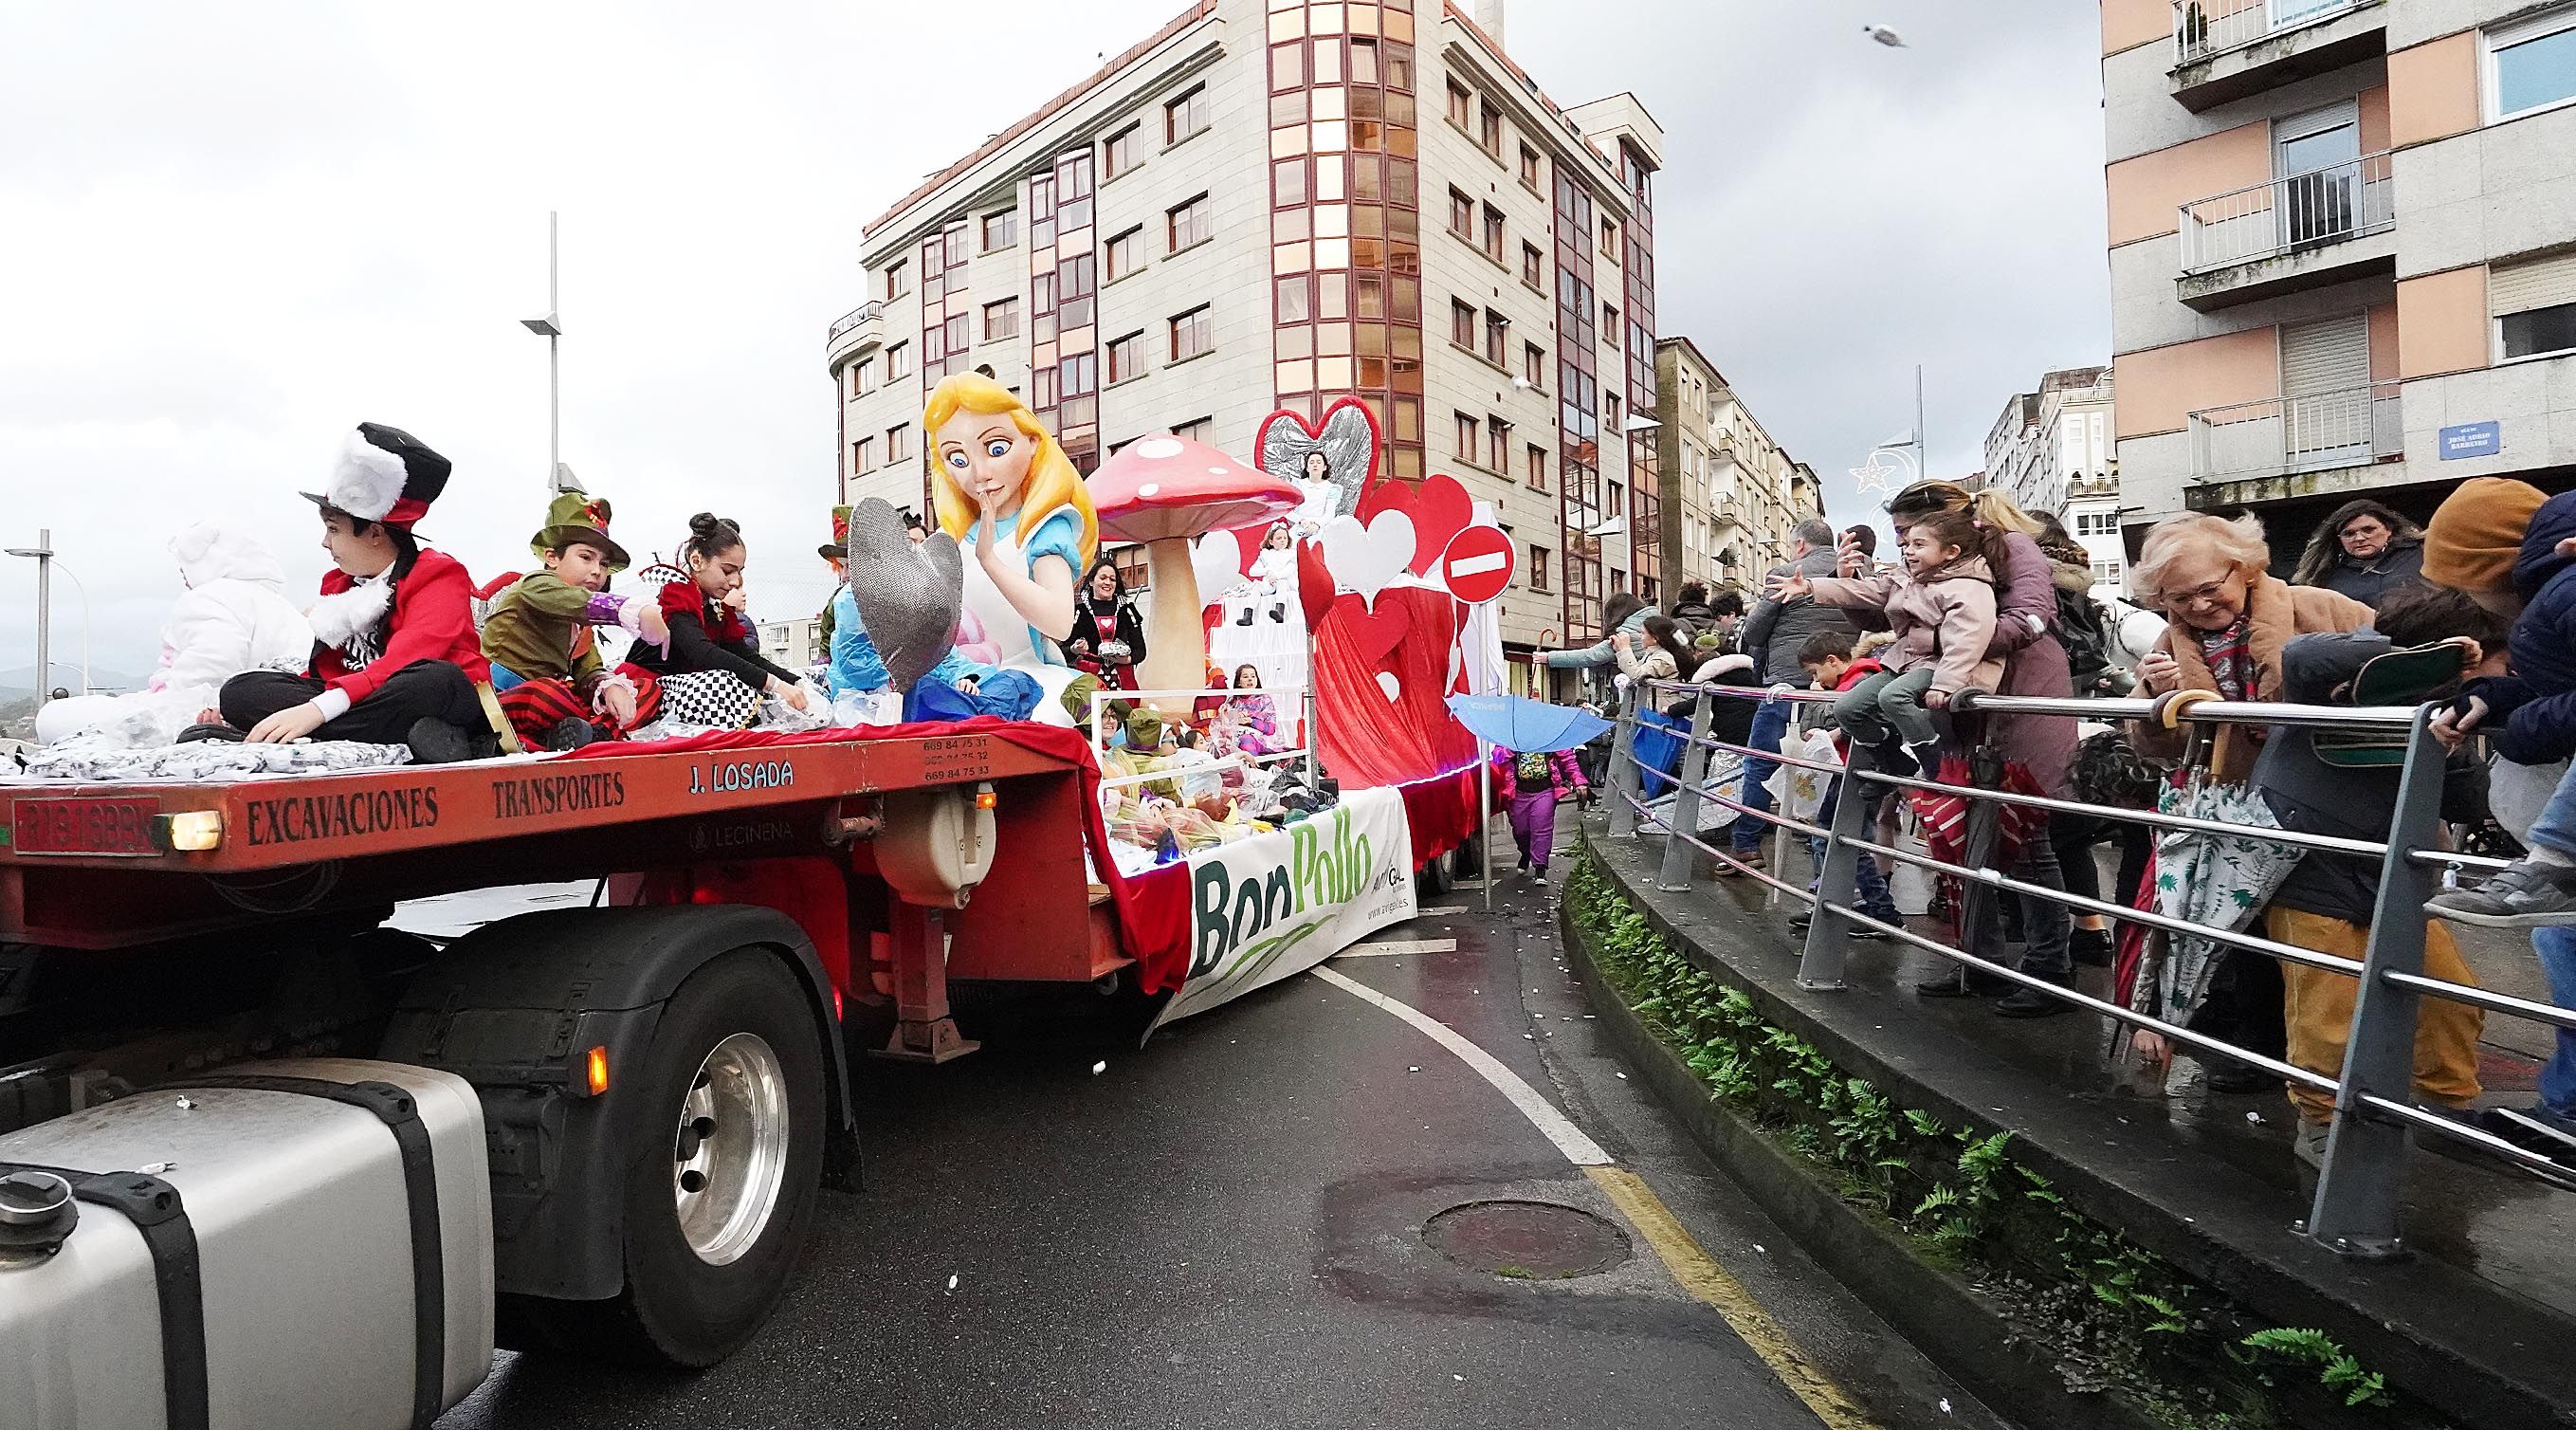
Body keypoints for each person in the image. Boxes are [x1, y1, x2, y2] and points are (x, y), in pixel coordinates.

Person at [2243, 583, 2492, 1166]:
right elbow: (2300, 657)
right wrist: (2423, 655)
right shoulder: (2325, 671)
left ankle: (2447, 1109)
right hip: (2308, 860)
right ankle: (2320, 1120)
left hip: (2397, 866)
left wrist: (2458, 734)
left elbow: (2465, 799)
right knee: (2326, 1011)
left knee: (2453, 995)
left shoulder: (2449, 702)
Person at [2128, 511, 2372, 1085]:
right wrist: (2153, 696)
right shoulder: (2170, 640)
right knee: (2252, 933)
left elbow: (2403, 673)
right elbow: (2158, 746)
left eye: (2209, 588)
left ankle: (2346, 1067)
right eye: (2177, 598)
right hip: (2239, 809)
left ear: (2244, 566)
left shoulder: (2322, 608)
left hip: (2331, 801)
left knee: (2332, 931)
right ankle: (2265, 1056)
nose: (2197, 607)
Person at [1880, 482, 2084, 1014]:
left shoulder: (2012, 547)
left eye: (1908, 533)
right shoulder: (1937, 561)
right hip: (1970, 705)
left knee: (2026, 843)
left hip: (2019, 701)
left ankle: (2049, 971)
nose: (1904, 544)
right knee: (1969, 841)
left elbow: (2027, 619)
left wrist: (1941, 638)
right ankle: (1980, 964)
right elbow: (1904, 620)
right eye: (1900, 536)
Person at [214, 423, 493, 762]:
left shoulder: (439, 574)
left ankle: (312, 733)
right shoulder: (339, 583)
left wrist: (315, 711)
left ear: (375, 533)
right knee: (242, 690)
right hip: (367, 704)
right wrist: (286, 705)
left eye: (333, 529)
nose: (325, 542)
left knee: (435, 678)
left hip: (430, 696)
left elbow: (407, 659)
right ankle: (408, 737)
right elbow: (328, 674)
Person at [36, 523, 312, 748]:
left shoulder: (212, 596)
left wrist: (164, 703)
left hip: (205, 709)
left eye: (185, 566)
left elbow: (212, 664)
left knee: (55, 717)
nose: (181, 574)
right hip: (272, 707)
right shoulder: (276, 604)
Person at [1773, 507, 2006, 772]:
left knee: (1893, 698)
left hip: (1944, 665)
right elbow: (1868, 591)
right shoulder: (1908, 579)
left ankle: (1936, 766)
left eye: (1919, 545)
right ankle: (1893, 760)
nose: (1908, 551)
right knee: (1848, 707)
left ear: (1950, 552)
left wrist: (1945, 684)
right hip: (1908, 661)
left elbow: (1969, 640)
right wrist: (1812, 587)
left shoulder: (1969, 585)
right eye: (1908, 544)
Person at [927, 370, 1099, 725]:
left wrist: (990, 561)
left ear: (1032, 442)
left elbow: (1059, 621)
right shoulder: (953, 541)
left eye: (996, 449)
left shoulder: (1045, 526)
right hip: (966, 680)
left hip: (1029, 680)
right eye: (958, 459)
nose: (980, 473)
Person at [481, 493, 669, 750]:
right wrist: (629, 610)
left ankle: (593, 732)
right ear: (552, 558)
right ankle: (586, 731)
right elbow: (567, 599)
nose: (597, 570)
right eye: (586, 557)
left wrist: (608, 687)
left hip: (559, 701)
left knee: (646, 691)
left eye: (603, 564)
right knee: (548, 695)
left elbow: (587, 669)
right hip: (509, 696)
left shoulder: (582, 624)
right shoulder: (534, 584)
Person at [1732, 519, 1854, 871]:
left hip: (1787, 684)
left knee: (1762, 760)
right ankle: (1831, 854)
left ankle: (1748, 844)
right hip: (1839, 685)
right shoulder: (1854, 571)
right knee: (1832, 765)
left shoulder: (1785, 572)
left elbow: (1754, 631)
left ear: (1800, 545)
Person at [629, 513, 814, 729]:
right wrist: (776, 685)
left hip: (682, 689)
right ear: (697, 560)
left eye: (739, 572)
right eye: (727, 571)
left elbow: (745, 655)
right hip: (646, 690)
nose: (735, 581)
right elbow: (703, 653)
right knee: (722, 685)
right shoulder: (677, 598)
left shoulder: (714, 607)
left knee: (799, 680)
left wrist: (795, 682)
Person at [1786, 630, 1902, 940]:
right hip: (1850, 769)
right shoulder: (1859, 680)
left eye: (1815, 673)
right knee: (1838, 839)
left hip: (1855, 771)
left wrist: (1836, 733)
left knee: (1839, 839)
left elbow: (1868, 721)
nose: (1817, 680)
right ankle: (1852, 904)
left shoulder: (1861, 683)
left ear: (1833, 661)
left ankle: (1878, 910)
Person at [2290, 498, 2427, 610]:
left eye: (2368, 530)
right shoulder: (2326, 576)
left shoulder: (2420, 554)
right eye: (2349, 534)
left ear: (2388, 529)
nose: (2359, 538)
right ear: (2339, 538)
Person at [1493, 742, 1587, 881]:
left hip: (1545, 790)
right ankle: (1526, 854)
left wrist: (1579, 781)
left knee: (1542, 828)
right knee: (1520, 829)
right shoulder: (1511, 735)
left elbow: (1567, 758)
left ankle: (1540, 868)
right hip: (1519, 792)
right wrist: (1512, 749)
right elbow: (1497, 757)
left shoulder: (1550, 735)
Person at [1066, 556, 1147, 691]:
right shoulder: (1078, 612)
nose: (1108, 582)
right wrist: (1075, 649)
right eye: (1103, 578)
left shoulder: (1127, 612)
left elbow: (1140, 651)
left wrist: (1126, 660)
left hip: (1123, 682)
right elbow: (1063, 649)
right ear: (1091, 581)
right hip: (1088, 683)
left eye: (1112, 579)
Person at [1216, 663, 1283, 755]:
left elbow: (1271, 729)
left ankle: (1253, 768)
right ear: (1238, 682)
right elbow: (1226, 728)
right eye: (1245, 676)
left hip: (1260, 741)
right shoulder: (1232, 700)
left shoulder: (1264, 699)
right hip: (1235, 738)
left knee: (1245, 740)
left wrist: (1251, 721)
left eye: (1253, 676)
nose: (1250, 679)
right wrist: (1224, 715)